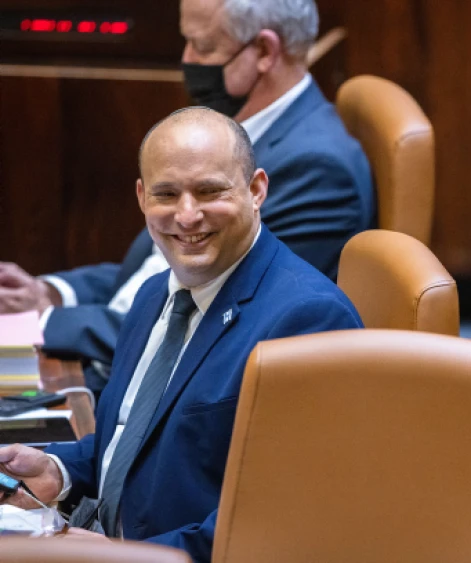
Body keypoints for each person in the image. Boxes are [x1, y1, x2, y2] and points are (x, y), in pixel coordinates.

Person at [0, 107, 363, 562]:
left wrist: (123, 555)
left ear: (256, 190)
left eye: (209, 191)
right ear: (141, 197)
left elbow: (288, 521)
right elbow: (142, 437)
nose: (187, 216)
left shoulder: (308, 321)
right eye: (166, 194)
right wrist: (60, 470)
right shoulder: (157, 293)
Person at [0, 0, 372, 393]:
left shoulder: (315, 171)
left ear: (264, 52)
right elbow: (154, 270)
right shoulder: (235, 134)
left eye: (204, 47)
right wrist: (50, 293)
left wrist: (42, 320)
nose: (186, 60)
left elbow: (202, 325)